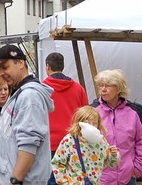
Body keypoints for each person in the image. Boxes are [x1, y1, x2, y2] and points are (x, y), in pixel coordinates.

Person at [0, 44, 54, 185]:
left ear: (21, 63)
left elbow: (28, 145)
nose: (1, 73)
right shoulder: (21, 93)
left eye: (5, 67)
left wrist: (15, 180)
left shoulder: (29, 96)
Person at [91, 69, 142, 185]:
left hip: (128, 177)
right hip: (100, 178)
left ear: (119, 88)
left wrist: (137, 169)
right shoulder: (92, 111)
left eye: (108, 85)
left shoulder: (133, 112)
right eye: (100, 85)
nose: (103, 89)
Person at [43, 52, 89, 185]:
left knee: (52, 180)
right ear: (62, 66)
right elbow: (86, 117)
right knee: (73, 180)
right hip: (73, 142)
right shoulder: (78, 88)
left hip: (50, 143)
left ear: (48, 66)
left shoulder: (42, 89)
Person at [51, 106, 120, 185]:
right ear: (80, 123)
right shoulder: (69, 140)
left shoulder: (101, 141)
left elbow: (111, 164)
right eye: (87, 123)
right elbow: (57, 163)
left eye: (94, 123)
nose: (91, 126)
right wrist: (64, 182)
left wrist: (114, 155)